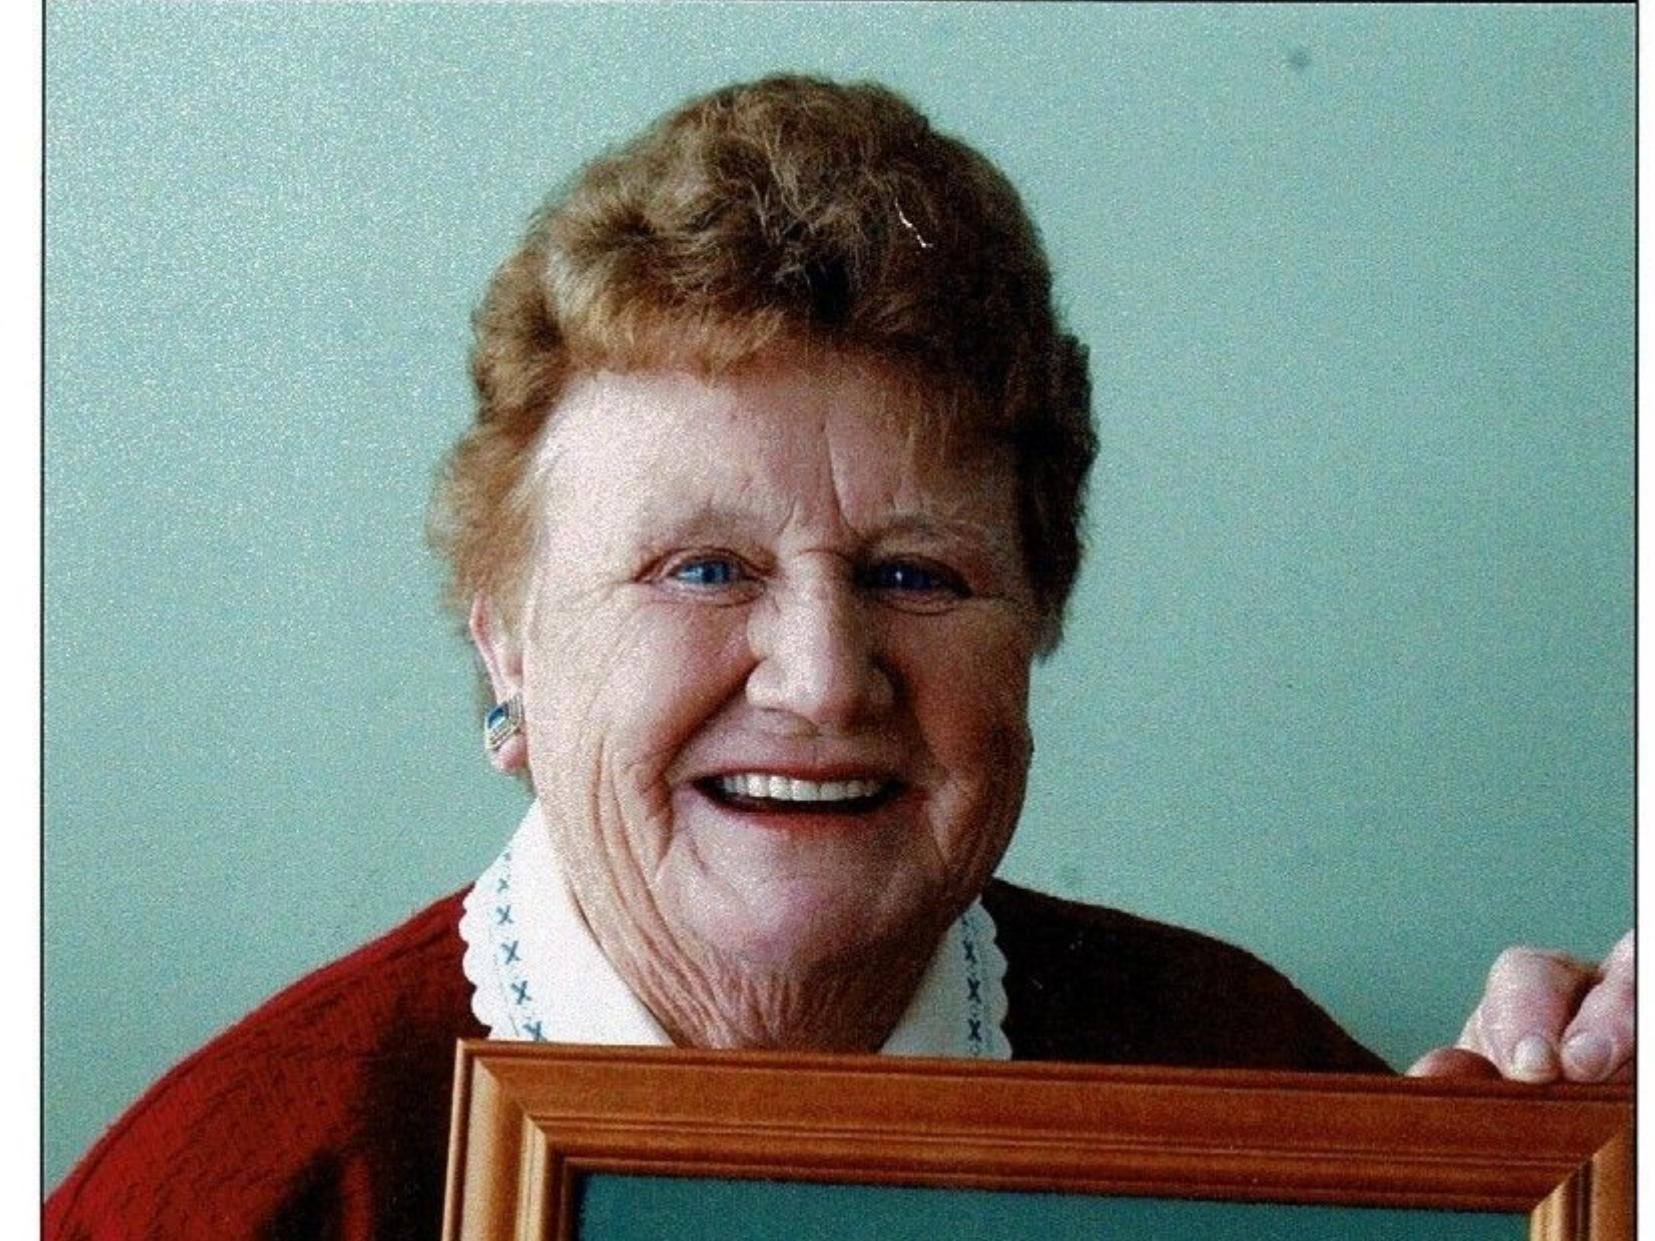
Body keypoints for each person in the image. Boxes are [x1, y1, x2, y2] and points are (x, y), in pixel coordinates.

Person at [44, 73, 1632, 1241]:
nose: (820, 678)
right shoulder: (249, 1188)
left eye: (913, 573)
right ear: (505, 640)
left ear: (1036, 620)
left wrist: (1571, 1176)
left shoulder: (1247, 1089)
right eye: (703, 569)